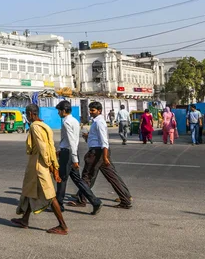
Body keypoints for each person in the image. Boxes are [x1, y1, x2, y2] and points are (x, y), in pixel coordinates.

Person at [11, 104, 68, 235]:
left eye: (27, 113)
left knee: (49, 195)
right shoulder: (45, 126)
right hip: (37, 164)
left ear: (31, 114)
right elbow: (51, 147)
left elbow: (43, 148)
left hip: (39, 165)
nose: (27, 116)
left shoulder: (34, 127)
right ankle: (24, 219)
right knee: (30, 190)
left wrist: (51, 166)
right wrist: (54, 165)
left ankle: (63, 226)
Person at [70, 101, 133, 210]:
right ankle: (126, 198)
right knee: (111, 176)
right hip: (99, 152)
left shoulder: (99, 122)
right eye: (90, 110)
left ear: (99, 111)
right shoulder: (96, 122)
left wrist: (104, 156)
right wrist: (88, 136)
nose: (91, 112)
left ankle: (81, 199)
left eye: (93, 110)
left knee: (87, 176)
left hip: (97, 153)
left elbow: (104, 141)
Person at [54, 100, 102, 215]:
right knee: (77, 180)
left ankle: (59, 205)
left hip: (69, 154)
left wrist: (74, 159)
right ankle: (95, 201)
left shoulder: (66, 122)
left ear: (64, 111)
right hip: (70, 152)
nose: (58, 113)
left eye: (59, 111)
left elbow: (71, 141)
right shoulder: (75, 120)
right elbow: (72, 140)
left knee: (61, 179)